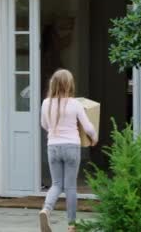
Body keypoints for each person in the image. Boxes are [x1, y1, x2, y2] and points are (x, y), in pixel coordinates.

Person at [39, 69, 97, 232]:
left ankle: (46, 209)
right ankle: (71, 225)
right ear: (70, 85)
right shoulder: (75, 104)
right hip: (72, 147)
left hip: (53, 147)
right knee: (70, 187)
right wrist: (95, 137)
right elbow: (88, 127)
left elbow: (44, 124)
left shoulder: (46, 103)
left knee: (56, 184)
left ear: (53, 84)